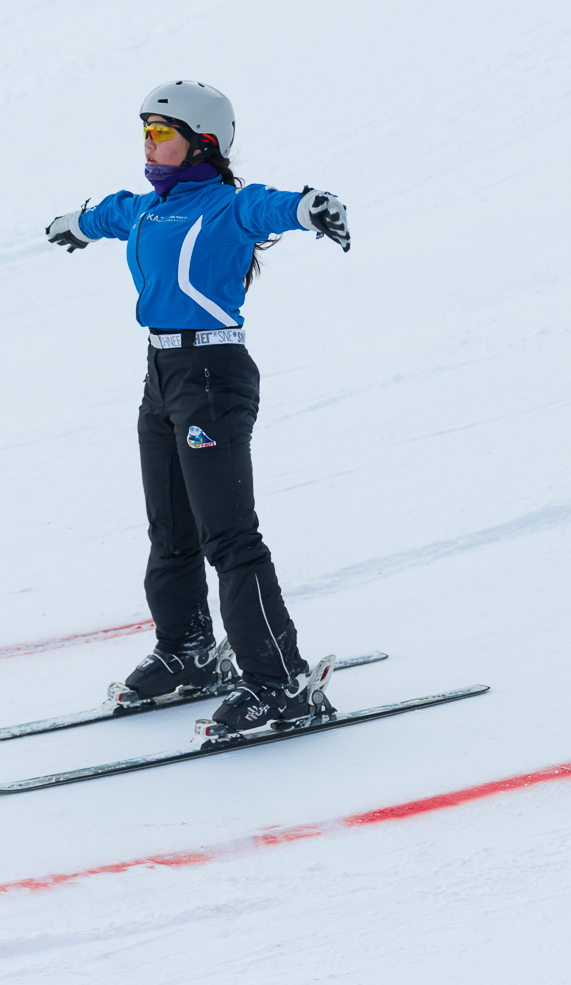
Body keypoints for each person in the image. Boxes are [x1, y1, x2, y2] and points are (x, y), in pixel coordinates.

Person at [45, 80, 350, 733]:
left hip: (211, 375)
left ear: (202, 141)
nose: (150, 143)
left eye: (163, 131)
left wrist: (312, 207)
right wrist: (75, 222)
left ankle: (281, 683)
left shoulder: (224, 206)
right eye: (146, 131)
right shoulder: (150, 209)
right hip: (161, 374)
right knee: (172, 529)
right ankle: (188, 652)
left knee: (230, 538)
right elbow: (110, 213)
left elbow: (271, 207)